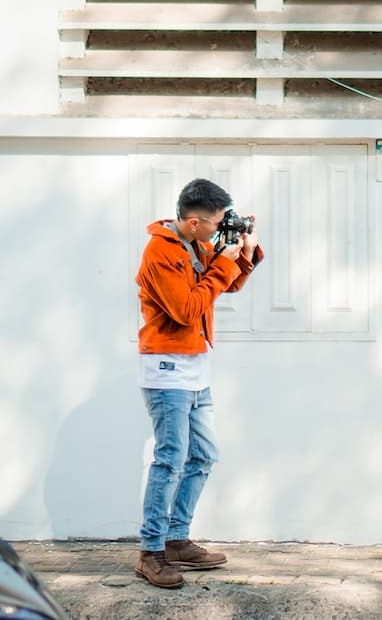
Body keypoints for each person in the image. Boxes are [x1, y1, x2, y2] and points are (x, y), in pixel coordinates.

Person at [134, 179, 264, 589]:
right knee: (171, 458)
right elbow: (189, 309)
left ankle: (176, 538)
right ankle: (150, 552)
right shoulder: (159, 254)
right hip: (167, 369)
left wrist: (243, 254)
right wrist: (224, 262)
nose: (217, 231)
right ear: (192, 222)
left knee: (203, 455)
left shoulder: (194, 245)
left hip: (195, 366)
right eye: (215, 224)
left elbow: (226, 284)